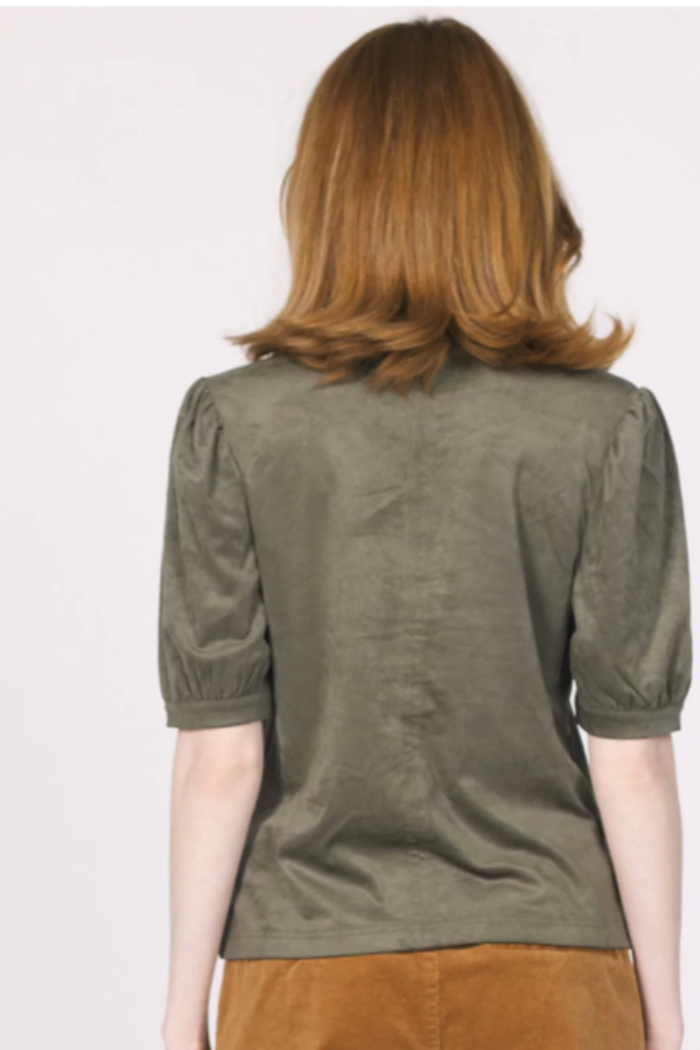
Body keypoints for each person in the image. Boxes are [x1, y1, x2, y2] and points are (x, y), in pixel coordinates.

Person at [157, 17, 692, 1050]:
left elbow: (219, 756)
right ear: (514, 191)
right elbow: (633, 759)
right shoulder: (607, 426)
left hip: (307, 972)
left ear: (328, 191)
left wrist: (184, 1017)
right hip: (552, 966)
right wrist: (663, 1020)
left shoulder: (234, 425)